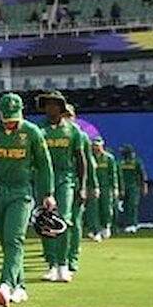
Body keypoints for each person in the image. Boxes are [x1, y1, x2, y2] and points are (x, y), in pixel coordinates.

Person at [0, 93, 55, 307]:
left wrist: (48, 193)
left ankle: (5, 285)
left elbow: (44, 164)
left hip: (21, 192)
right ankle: (20, 286)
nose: (11, 124)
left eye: (14, 119)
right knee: (5, 241)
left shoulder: (32, 132)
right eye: (7, 119)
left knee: (14, 239)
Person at [36, 92, 88, 282]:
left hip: (65, 178)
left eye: (54, 105)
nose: (50, 108)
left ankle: (63, 264)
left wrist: (82, 187)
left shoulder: (73, 131)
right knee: (45, 221)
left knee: (63, 219)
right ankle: (52, 265)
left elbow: (81, 160)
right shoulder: (37, 130)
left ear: (61, 108)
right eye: (47, 105)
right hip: (43, 179)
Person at [63, 105, 97, 274]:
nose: (67, 118)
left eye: (69, 115)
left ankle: (72, 257)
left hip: (76, 183)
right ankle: (57, 258)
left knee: (75, 221)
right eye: (64, 115)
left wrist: (91, 185)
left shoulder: (81, 136)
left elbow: (88, 163)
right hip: (59, 183)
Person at [86, 137, 120, 241]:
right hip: (93, 187)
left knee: (106, 208)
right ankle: (95, 231)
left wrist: (115, 188)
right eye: (94, 145)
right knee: (93, 210)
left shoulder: (109, 158)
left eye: (98, 145)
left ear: (102, 145)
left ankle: (105, 227)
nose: (96, 147)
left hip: (106, 187)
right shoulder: (90, 157)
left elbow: (113, 174)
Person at [118, 144, 148, 233]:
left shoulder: (136, 162)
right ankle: (126, 224)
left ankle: (133, 224)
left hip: (134, 187)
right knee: (125, 206)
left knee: (132, 205)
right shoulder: (121, 162)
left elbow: (142, 175)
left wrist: (144, 187)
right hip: (123, 187)